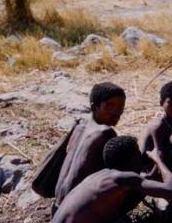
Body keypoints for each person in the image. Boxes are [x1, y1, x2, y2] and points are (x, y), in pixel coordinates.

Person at [53, 82, 126, 213]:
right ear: (95, 107)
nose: (117, 112)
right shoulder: (105, 133)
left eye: (121, 107)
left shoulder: (79, 127)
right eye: (110, 106)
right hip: (76, 213)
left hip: (57, 207)